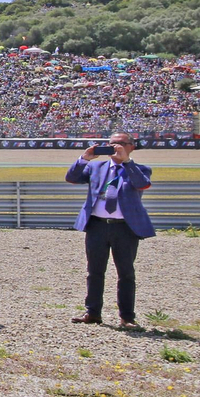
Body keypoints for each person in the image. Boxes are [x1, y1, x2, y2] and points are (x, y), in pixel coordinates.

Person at [66, 133, 153, 329]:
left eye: (122, 144)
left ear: (132, 147)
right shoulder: (96, 167)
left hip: (125, 227)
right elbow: (71, 177)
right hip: (97, 225)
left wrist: (127, 162)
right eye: (112, 144)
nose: (116, 147)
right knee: (94, 271)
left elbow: (142, 184)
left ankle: (127, 317)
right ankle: (93, 312)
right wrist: (84, 158)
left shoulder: (139, 169)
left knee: (126, 273)